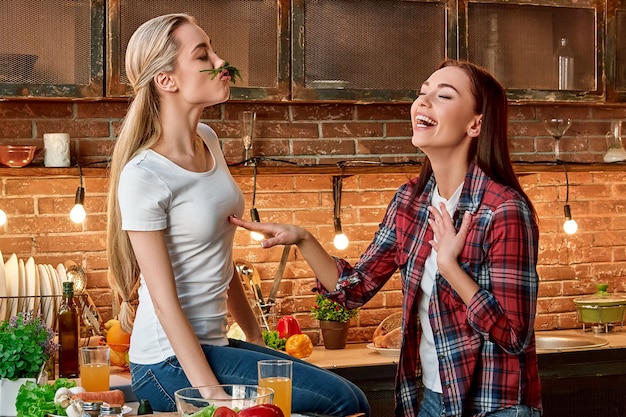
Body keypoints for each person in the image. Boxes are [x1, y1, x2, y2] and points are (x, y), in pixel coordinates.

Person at [230, 60, 542, 417]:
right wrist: (303, 239)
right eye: (422, 93)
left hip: (494, 405)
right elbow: (353, 289)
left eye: (442, 95)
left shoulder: (502, 209)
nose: (422, 102)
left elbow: (513, 335)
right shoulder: (411, 201)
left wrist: (449, 267)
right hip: (430, 400)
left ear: (476, 123)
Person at [106, 13, 370, 415]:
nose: (220, 61)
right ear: (166, 80)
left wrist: (255, 336)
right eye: (203, 55)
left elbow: (218, 259)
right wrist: (211, 396)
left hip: (212, 345)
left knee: (352, 397)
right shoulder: (144, 175)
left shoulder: (208, 141)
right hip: (165, 363)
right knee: (343, 401)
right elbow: (163, 302)